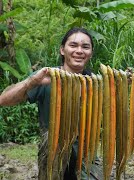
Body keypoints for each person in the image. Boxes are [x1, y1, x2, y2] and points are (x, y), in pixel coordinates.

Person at [0, 27, 102, 179]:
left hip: (87, 152)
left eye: (85, 47)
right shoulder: (46, 77)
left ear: (91, 53)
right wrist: (31, 82)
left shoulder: (96, 82)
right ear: (62, 50)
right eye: (73, 45)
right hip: (53, 150)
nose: (79, 50)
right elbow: (4, 100)